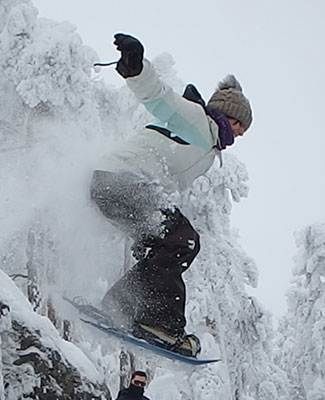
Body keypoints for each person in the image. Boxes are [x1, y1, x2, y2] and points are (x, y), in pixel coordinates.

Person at [91, 33, 253, 358]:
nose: (240, 134)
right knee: (184, 241)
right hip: (122, 179)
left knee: (166, 247)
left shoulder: (206, 150)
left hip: (121, 187)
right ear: (228, 115)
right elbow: (159, 96)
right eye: (240, 126)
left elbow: (167, 187)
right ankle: (159, 323)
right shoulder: (195, 118)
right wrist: (136, 67)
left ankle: (120, 307)